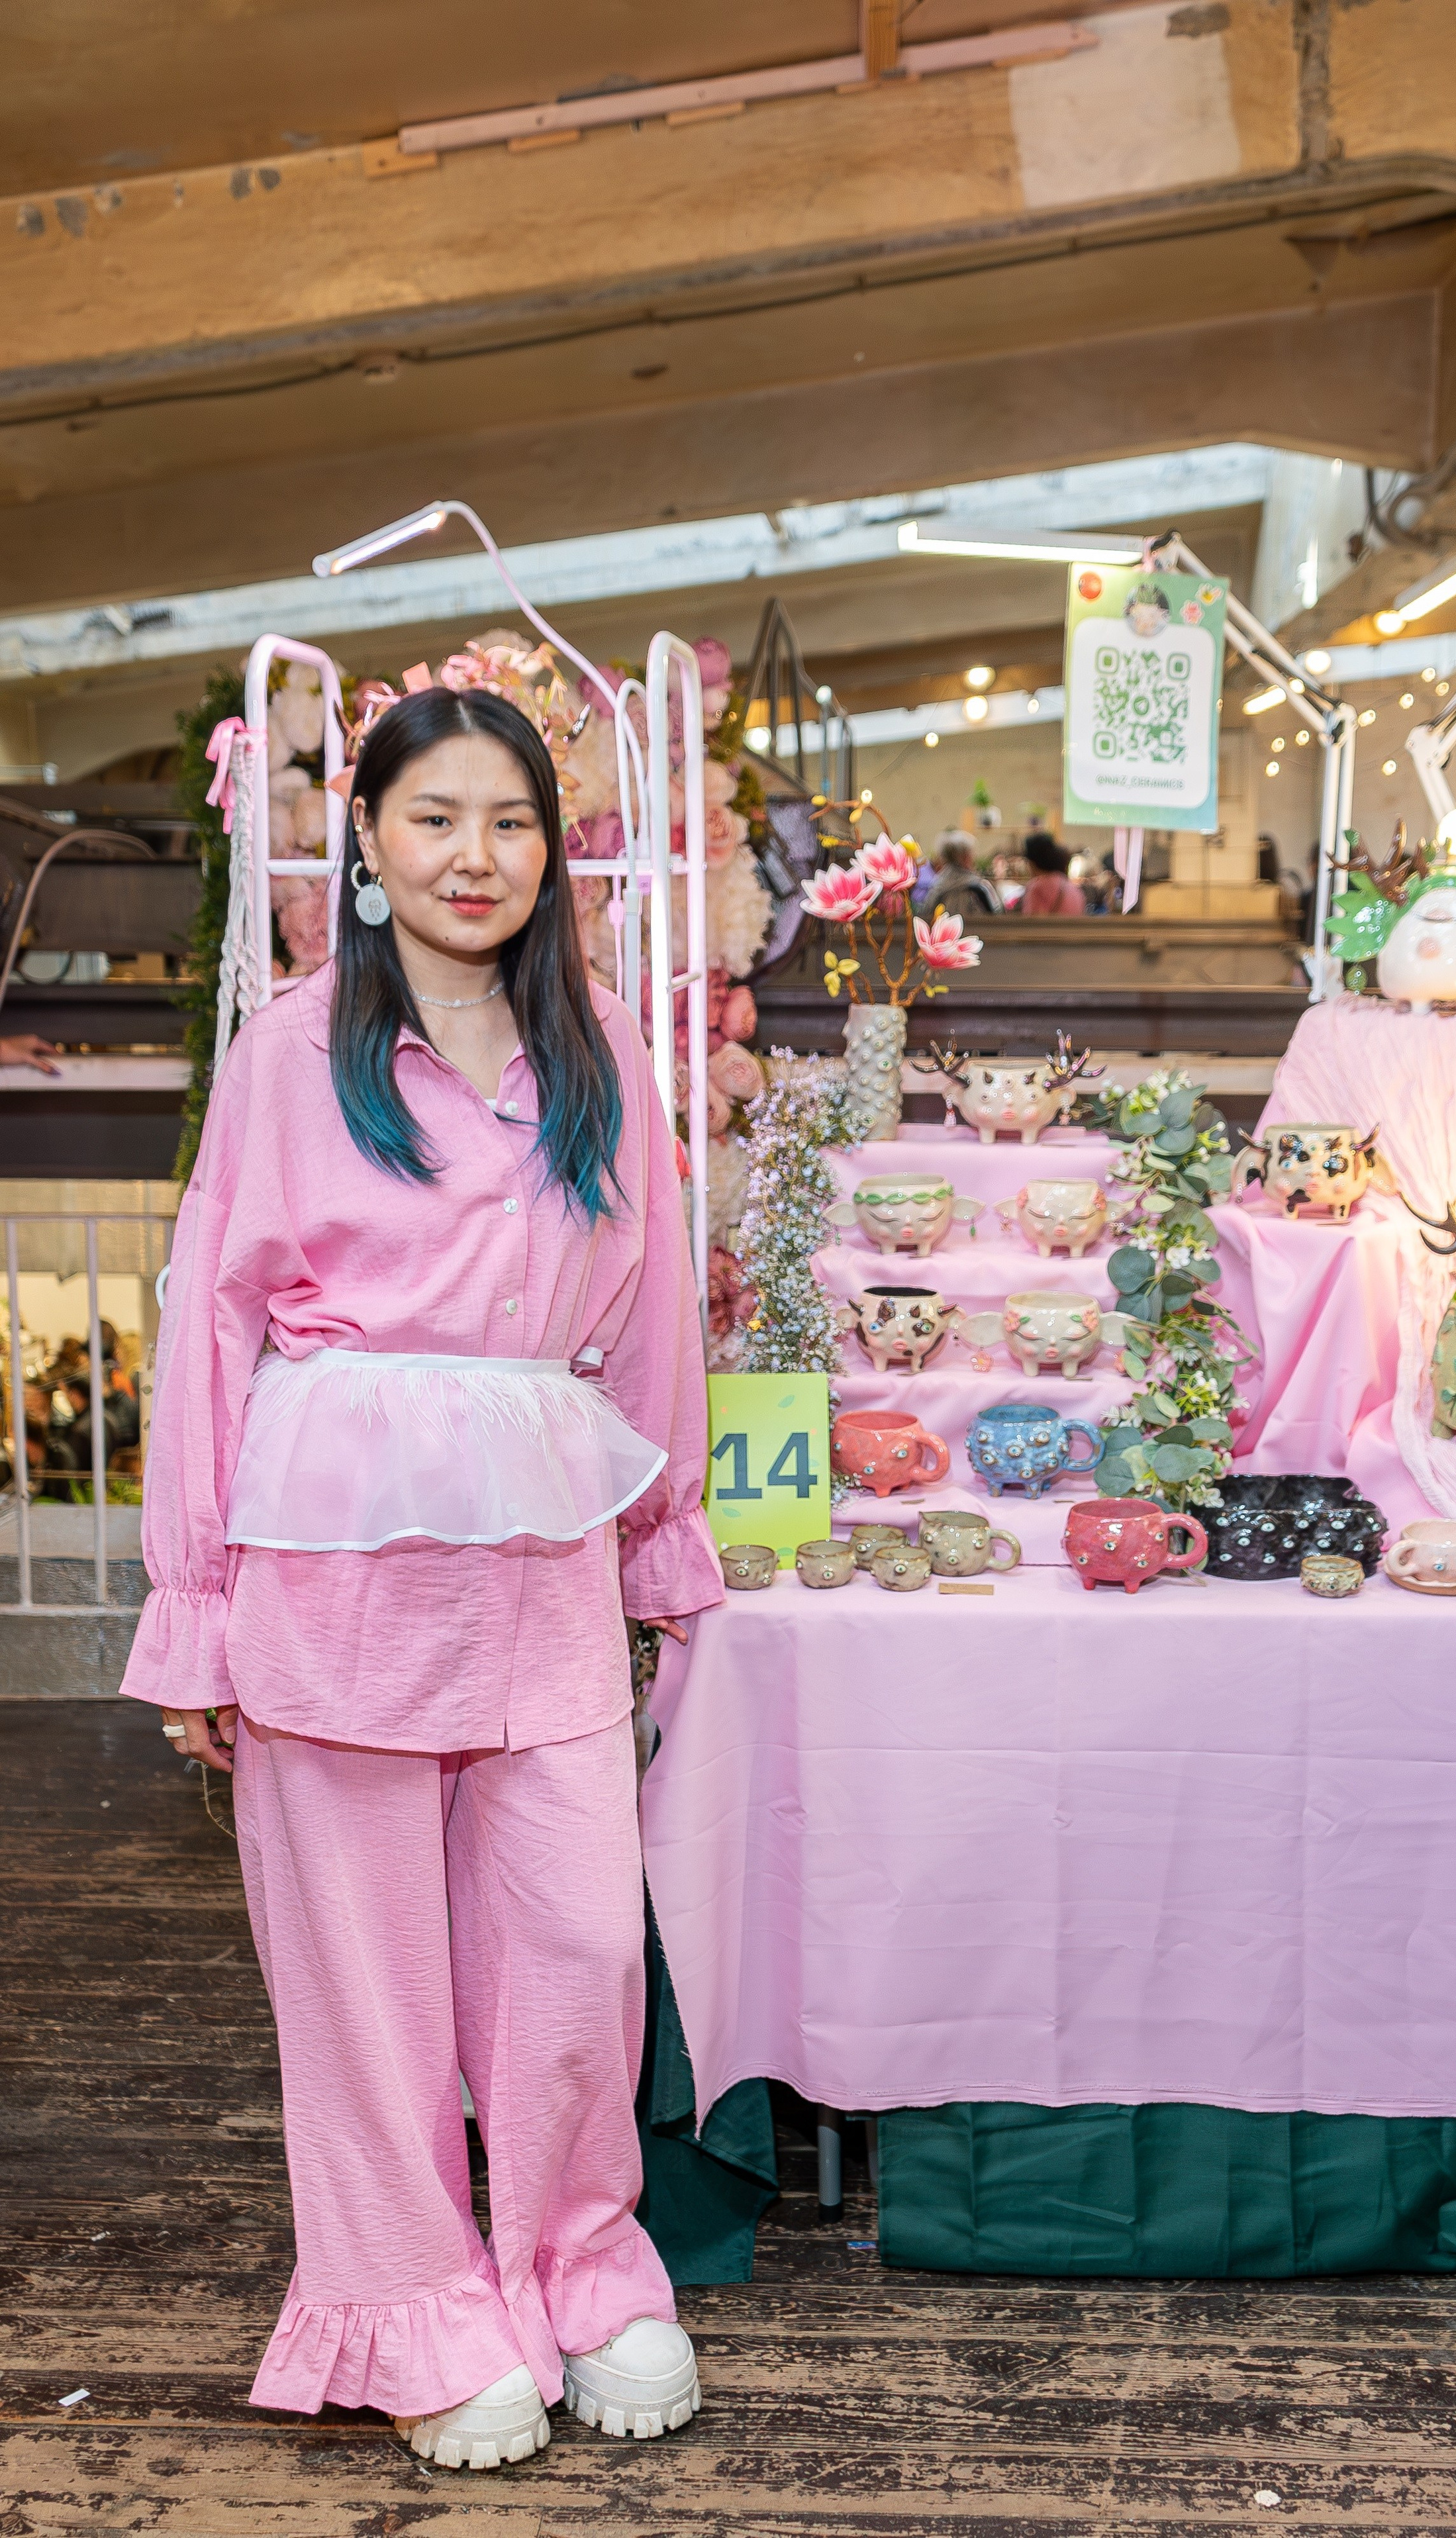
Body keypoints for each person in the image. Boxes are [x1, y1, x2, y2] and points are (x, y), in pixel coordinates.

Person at [121, 685, 722, 2470]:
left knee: (576, 1943)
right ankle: (410, 2301)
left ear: (557, 849)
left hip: (539, 1570)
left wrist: (665, 1557)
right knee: (362, 1977)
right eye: (436, 816)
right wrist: (199, 1613)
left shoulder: (602, 1056)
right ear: (364, 842)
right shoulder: (288, 1056)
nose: (477, 854)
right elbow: (210, 1338)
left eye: (513, 821)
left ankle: (580, 2261)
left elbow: (654, 1327)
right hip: (331, 1580)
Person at [922, 832, 1001, 924]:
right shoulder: (981, 886)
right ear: (965, 857)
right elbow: (998, 914)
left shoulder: (937, 885)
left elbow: (926, 913)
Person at [1019, 831, 1086, 918]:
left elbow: (1031, 925)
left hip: (1049, 931)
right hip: (1072, 931)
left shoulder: (1037, 888)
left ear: (1031, 863)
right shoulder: (1072, 887)